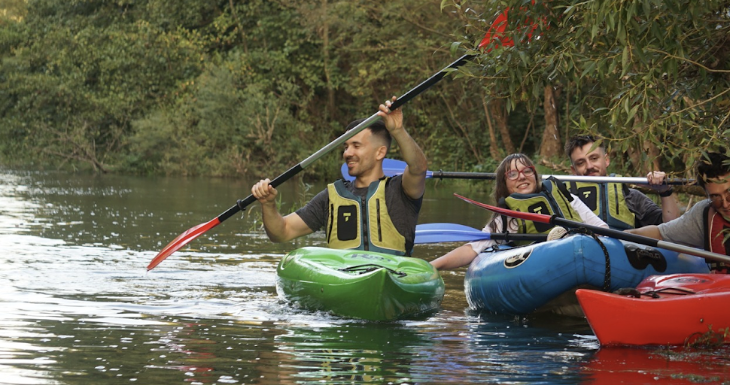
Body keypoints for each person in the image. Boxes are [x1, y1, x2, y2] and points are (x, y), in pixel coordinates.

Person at [250, 97, 427, 255]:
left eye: (356, 146)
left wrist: (398, 131)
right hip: (344, 278)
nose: (347, 153)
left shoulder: (401, 190)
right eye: (345, 147)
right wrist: (268, 204)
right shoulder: (331, 197)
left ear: (380, 152)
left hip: (392, 276)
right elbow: (282, 232)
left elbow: (418, 168)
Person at [430, 153, 606, 270]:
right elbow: (471, 250)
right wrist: (432, 265)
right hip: (543, 270)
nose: (522, 177)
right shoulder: (506, 218)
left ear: (535, 175)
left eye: (527, 171)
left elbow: (602, 229)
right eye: (512, 174)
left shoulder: (568, 199)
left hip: (584, 258)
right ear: (504, 185)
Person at [563, 136, 680, 229]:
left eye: (594, 158)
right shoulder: (562, 197)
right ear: (573, 170)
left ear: (606, 160)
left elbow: (671, 228)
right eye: (580, 163)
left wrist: (665, 191)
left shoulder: (629, 196)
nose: (589, 166)